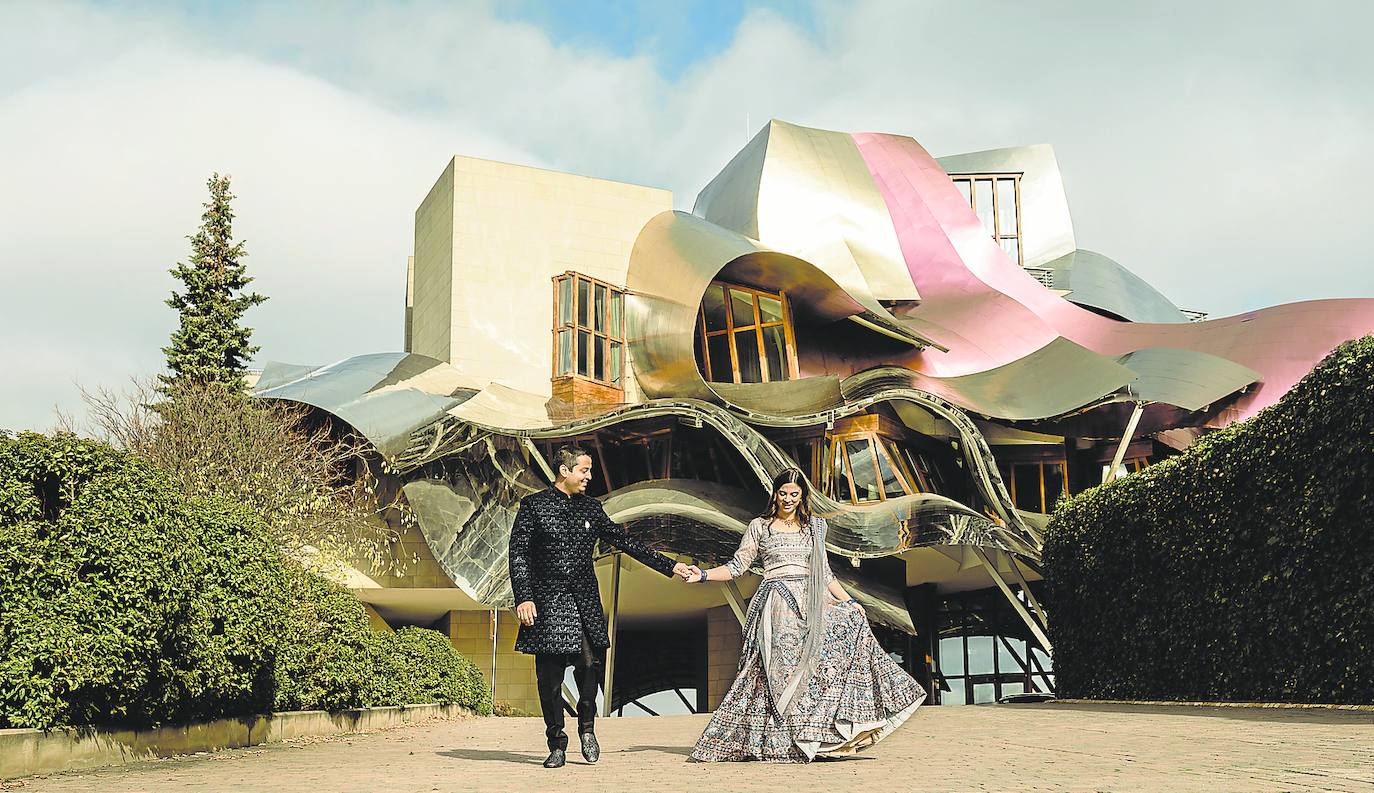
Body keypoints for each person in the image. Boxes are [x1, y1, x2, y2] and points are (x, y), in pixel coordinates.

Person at [686, 468, 927, 762]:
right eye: (783, 493)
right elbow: (737, 566)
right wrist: (703, 575)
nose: (788, 499)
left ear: (802, 497)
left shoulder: (813, 528)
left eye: (794, 494)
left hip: (814, 602)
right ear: (775, 494)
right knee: (780, 672)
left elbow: (825, 574)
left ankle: (821, 736)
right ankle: (781, 740)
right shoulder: (760, 527)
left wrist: (850, 601)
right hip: (777, 604)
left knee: (829, 653)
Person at [508, 444, 698, 769]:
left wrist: (670, 566)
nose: (589, 476)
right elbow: (519, 554)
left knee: (590, 667)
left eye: (590, 470)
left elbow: (626, 542)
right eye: (584, 470)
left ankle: (587, 729)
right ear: (564, 471)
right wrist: (524, 596)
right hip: (548, 605)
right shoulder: (534, 506)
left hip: (584, 603)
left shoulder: (591, 509)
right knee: (549, 681)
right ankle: (556, 744)